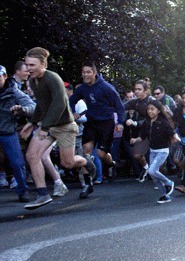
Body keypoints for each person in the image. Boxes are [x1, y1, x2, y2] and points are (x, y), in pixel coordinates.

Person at [20, 47, 97, 210]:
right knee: (32, 155)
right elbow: (41, 106)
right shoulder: (34, 82)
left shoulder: (52, 78)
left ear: (43, 64)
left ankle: (86, 161)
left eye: (32, 65)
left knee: (67, 163)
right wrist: (32, 123)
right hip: (48, 125)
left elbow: (59, 104)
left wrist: (45, 127)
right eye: (27, 65)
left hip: (64, 126)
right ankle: (42, 194)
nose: (28, 68)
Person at [69, 62, 125, 185]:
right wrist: (73, 112)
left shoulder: (106, 87)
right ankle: (88, 183)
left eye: (88, 72)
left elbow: (119, 106)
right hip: (91, 122)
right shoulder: (82, 88)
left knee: (101, 154)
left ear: (94, 73)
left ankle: (111, 164)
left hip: (106, 123)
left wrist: (120, 122)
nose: (85, 75)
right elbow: (71, 100)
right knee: (86, 151)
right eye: (83, 72)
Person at [130, 100, 179, 203]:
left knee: (152, 170)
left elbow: (172, 132)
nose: (150, 111)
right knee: (153, 174)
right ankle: (164, 196)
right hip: (153, 151)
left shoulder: (163, 122)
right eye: (148, 109)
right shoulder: (147, 122)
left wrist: (176, 137)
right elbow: (142, 137)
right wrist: (135, 140)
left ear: (158, 111)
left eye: (152, 109)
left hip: (162, 151)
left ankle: (169, 182)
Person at [0, 65, 36, 202]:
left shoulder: (13, 91)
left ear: (4, 76)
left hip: (8, 131)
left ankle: (23, 190)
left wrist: (22, 110)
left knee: (17, 163)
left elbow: (33, 107)